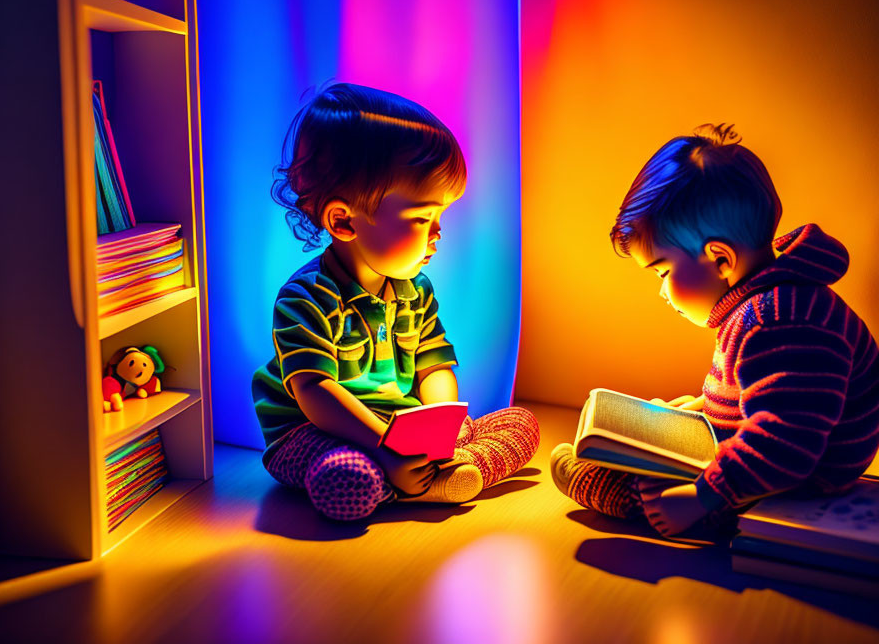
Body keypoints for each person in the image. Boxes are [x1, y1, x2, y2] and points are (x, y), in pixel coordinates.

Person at [551, 123, 879, 537]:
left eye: (664, 271)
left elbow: (784, 442)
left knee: (630, 485)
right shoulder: (765, 304)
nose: (662, 292)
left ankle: (609, 485)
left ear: (721, 260)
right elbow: (758, 394)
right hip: (772, 463)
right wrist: (694, 414)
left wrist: (702, 496)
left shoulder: (778, 319)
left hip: (792, 486)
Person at [253, 83, 539, 521]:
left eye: (440, 216)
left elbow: (434, 365)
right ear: (344, 220)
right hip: (316, 432)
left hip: (402, 430)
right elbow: (316, 393)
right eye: (423, 218)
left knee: (521, 423)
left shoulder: (416, 290)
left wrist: (441, 426)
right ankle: (419, 483)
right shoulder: (304, 297)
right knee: (346, 479)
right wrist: (385, 448)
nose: (438, 233)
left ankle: (437, 474)